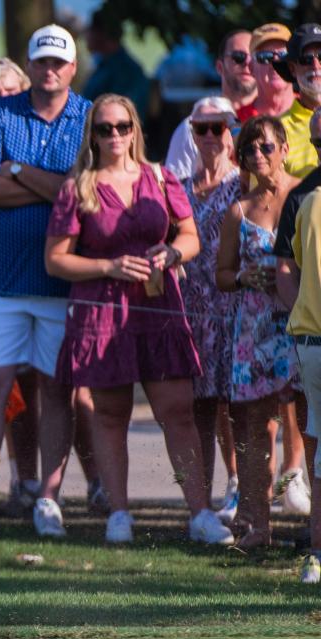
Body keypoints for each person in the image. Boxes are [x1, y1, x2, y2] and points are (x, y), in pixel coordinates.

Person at [45, 93, 234, 545]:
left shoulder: (160, 177)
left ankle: (200, 514)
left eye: (123, 127)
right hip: (103, 309)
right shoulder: (79, 187)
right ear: (92, 133)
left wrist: (173, 252)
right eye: (105, 128)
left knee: (178, 411)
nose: (115, 136)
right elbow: (55, 260)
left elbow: (189, 236)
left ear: (135, 130)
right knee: (110, 414)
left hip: (158, 304)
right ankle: (119, 514)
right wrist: (107, 267)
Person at [0, 24, 89, 538]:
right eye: (42, 61)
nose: (50, 69)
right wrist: (52, 188)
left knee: (58, 391)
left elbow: (82, 192)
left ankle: (49, 500)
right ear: (30, 64)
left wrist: (17, 171)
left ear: (72, 68)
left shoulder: (88, 116)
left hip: (62, 279)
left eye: (59, 62)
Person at [216, 115, 304, 548]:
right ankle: (256, 525)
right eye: (249, 149)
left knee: (308, 421)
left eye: (266, 147)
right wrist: (244, 278)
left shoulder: (305, 195)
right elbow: (222, 275)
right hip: (254, 328)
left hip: (299, 321)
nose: (258, 156)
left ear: (285, 148)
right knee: (253, 426)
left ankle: (315, 526)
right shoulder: (239, 210)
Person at [178, 97, 243, 522]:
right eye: (200, 128)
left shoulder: (244, 185)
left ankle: (241, 489)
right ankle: (200, 503)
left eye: (216, 127)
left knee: (238, 407)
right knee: (197, 406)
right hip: (191, 309)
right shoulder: (179, 186)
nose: (208, 137)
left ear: (231, 131)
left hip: (233, 304)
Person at [275, 109, 321, 584]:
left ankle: (317, 555)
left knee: (320, 449)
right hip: (313, 337)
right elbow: (287, 267)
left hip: (312, 339)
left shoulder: (308, 199)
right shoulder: (307, 198)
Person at [165, 30, 258, 180]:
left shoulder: (271, 123)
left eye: (254, 57)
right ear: (220, 67)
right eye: (238, 57)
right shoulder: (195, 126)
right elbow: (175, 191)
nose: (247, 63)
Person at [82, 7, 150, 120]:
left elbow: (121, 115)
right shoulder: (103, 64)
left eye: (91, 30)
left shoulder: (127, 71)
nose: (86, 36)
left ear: (102, 34)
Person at [275, 24, 321, 178]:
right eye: (306, 59)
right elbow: (265, 197)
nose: (316, 65)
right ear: (292, 69)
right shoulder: (276, 131)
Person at [249, 23, 294, 119]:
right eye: (265, 56)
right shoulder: (237, 122)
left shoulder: (314, 112)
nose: (276, 61)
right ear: (251, 68)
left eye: (284, 55)